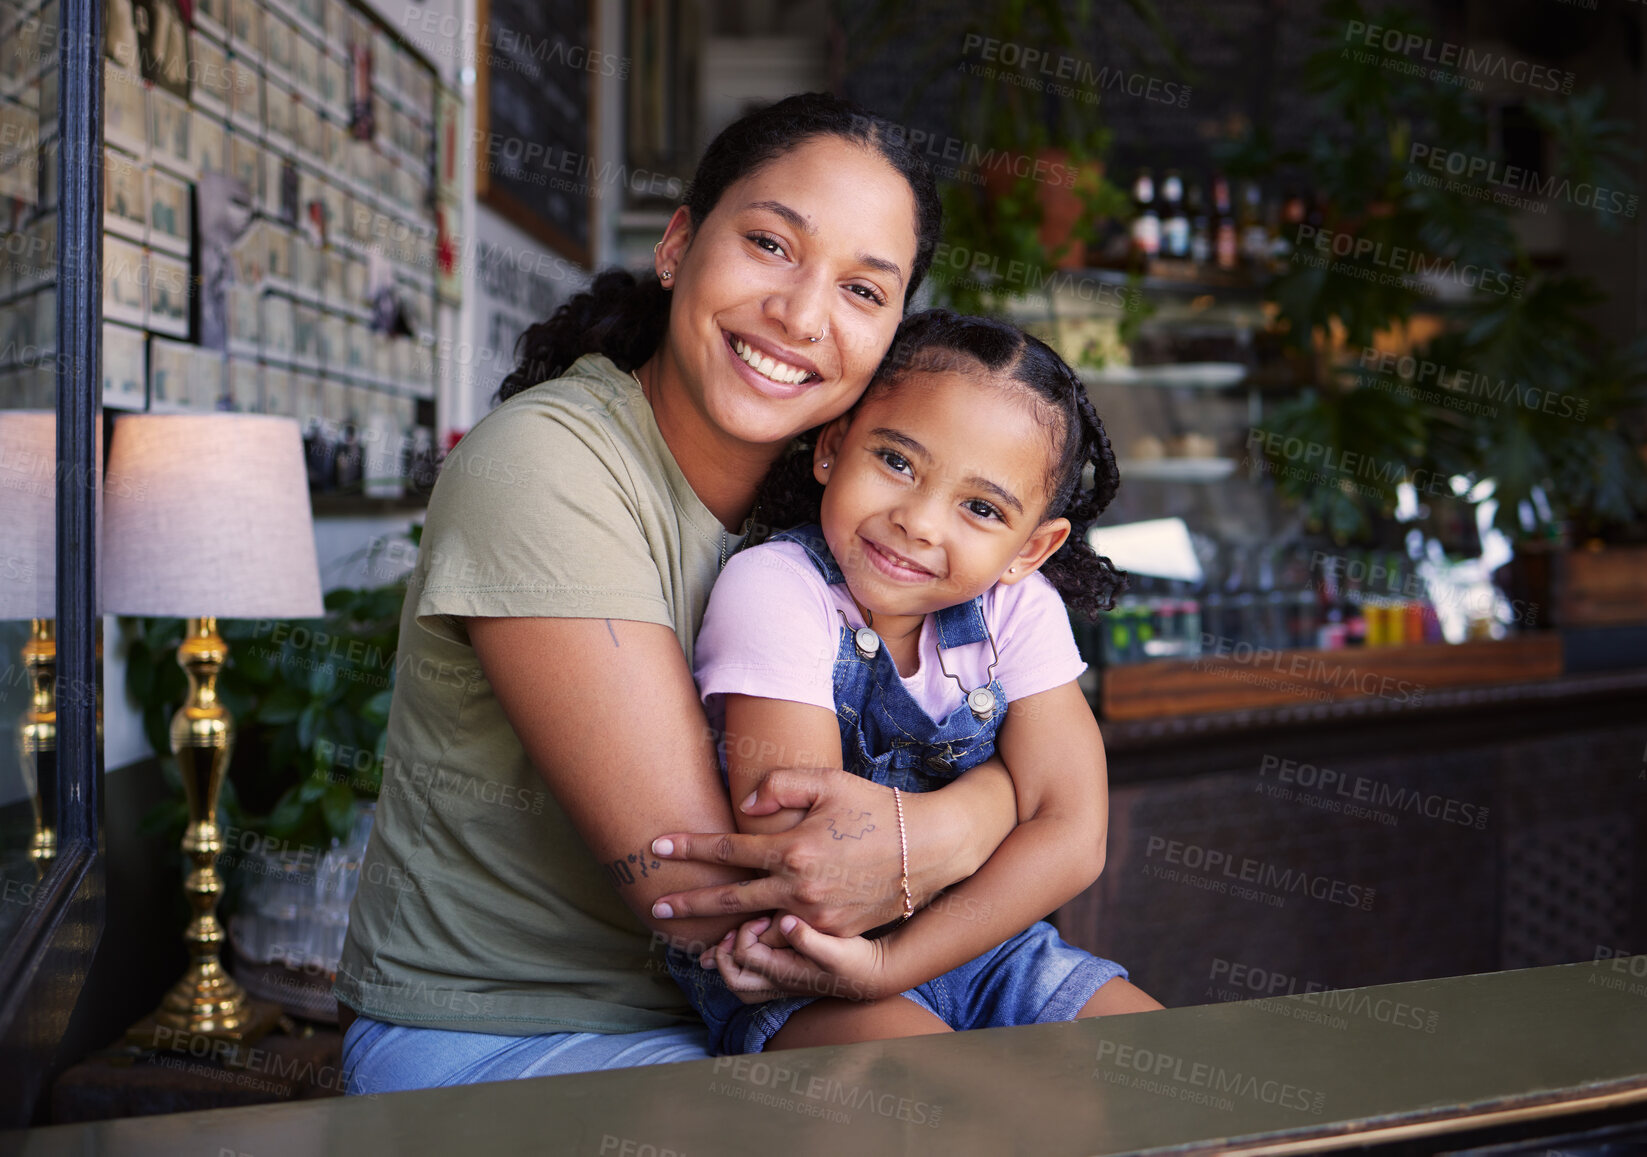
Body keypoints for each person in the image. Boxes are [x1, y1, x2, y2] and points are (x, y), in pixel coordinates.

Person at [334, 93, 1029, 1093]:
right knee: (957, 1106)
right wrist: (985, 822)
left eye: (863, 291)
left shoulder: (851, 508)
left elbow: (1044, 759)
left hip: (769, 1005)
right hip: (509, 1036)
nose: (800, 315)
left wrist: (962, 823)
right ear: (677, 245)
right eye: (769, 243)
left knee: (1066, 1081)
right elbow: (702, 896)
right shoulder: (547, 464)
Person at [664, 310, 1162, 1055]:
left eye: (982, 508)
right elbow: (811, 859)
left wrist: (893, 963)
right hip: (797, 969)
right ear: (834, 446)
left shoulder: (1017, 608)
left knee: (1169, 1072)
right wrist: (1005, 800)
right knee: (950, 1111)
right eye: (897, 462)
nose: (920, 522)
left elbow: (1074, 835)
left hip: (986, 947)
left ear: (1032, 548)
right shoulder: (776, 588)